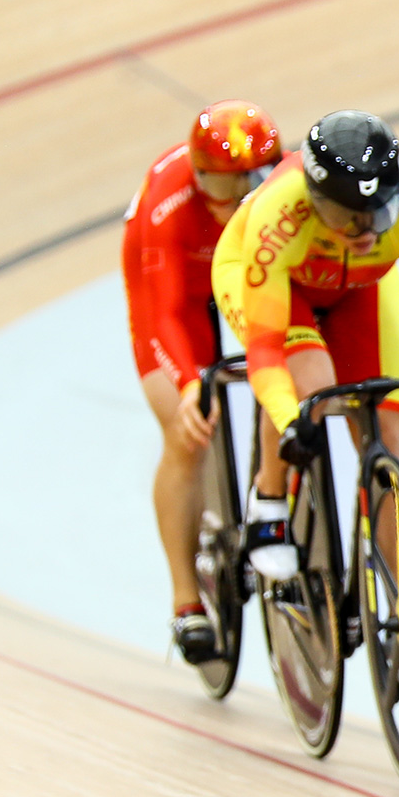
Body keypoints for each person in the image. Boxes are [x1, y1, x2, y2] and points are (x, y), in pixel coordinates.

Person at [212, 109, 399, 589]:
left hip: (359, 289)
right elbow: (264, 350)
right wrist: (289, 421)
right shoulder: (278, 214)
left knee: (386, 432)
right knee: (313, 385)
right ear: (313, 197)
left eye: (379, 213)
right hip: (273, 284)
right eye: (346, 217)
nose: (364, 232)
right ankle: (269, 500)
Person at [122, 100, 281, 662]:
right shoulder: (172, 205)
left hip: (244, 271)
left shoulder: (276, 186)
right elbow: (162, 315)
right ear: (200, 173)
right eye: (233, 180)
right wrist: (189, 383)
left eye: (256, 175)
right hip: (178, 291)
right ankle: (186, 600)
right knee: (187, 430)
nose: (247, 189)